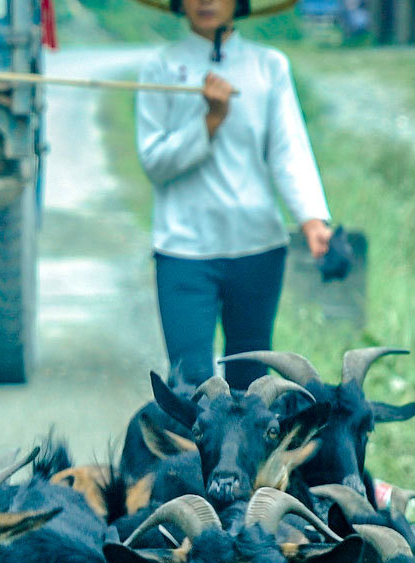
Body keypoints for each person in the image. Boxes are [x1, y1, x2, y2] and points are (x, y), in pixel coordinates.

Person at [135, 0, 331, 390]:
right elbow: (155, 161)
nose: (206, 1)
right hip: (184, 251)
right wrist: (209, 121)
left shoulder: (269, 66)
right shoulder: (160, 68)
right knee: (189, 385)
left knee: (251, 383)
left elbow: (288, 149)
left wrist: (312, 219)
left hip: (257, 249)